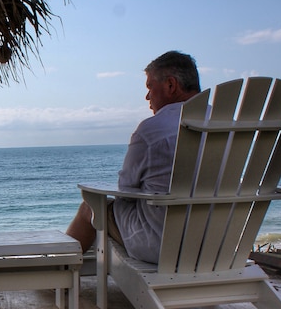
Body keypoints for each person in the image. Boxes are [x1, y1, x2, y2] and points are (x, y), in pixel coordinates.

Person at [67, 50, 201, 263]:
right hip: (218, 245)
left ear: (170, 85)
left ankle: (61, 274)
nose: (147, 96)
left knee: (89, 208)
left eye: (150, 87)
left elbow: (126, 191)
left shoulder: (152, 130)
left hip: (161, 245)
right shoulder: (229, 128)